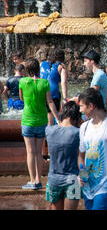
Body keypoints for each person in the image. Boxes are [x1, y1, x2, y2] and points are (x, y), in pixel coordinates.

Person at [19, 58, 60, 190]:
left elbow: (21, 98)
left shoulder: (23, 81)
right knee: (38, 153)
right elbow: (50, 102)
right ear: (38, 69)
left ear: (27, 70)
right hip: (42, 121)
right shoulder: (45, 83)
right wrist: (57, 118)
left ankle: (32, 181)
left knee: (30, 152)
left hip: (28, 121)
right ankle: (39, 180)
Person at [44, 101, 82, 210]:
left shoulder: (49, 130)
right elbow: (82, 158)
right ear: (76, 118)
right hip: (73, 180)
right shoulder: (78, 133)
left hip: (53, 180)